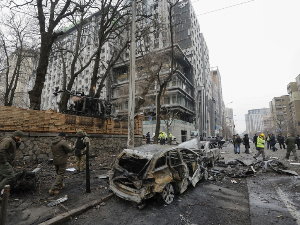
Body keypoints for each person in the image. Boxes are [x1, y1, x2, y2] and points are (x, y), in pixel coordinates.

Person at [0, 130, 23, 201]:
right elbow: (1, 150)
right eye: (19, 137)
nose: (20, 138)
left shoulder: (13, 140)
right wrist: (4, 161)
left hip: (6, 162)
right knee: (11, 176)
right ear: (17, 135)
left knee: (2, 177)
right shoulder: (8, 140)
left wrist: (18, 143)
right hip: (3, 162)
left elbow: (13, 149)